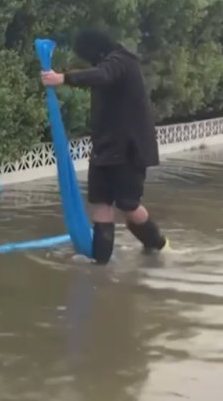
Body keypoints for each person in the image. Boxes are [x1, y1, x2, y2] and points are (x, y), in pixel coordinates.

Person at [40, 28, 169, 264]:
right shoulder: (109, 63)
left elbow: (102, 75)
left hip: (130, 149)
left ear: (95, 50)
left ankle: (159, 246)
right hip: (104, 149)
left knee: (128, 206)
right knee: (100, 203)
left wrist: (64, 78)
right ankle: (100, 267)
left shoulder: (121, 62)